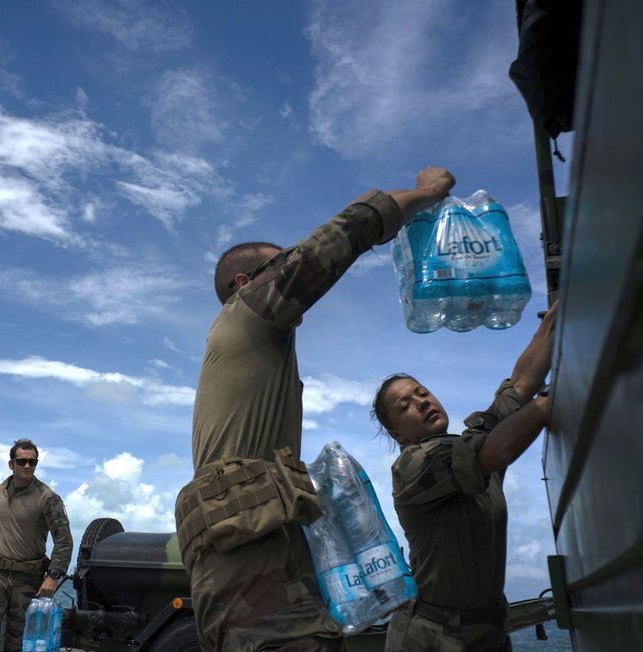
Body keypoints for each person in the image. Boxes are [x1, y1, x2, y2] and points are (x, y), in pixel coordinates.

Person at [175, 167, 457, 651]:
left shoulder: (251, 346)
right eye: (277, 263)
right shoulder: (246, 314)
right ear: (246, 281)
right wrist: (426, 194)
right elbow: (327, 248)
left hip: (249, 550)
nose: (288, 265)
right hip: (250, 560)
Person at [372, 302, 558, 652]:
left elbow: (518, 387)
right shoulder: (414, 466)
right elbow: (496, 450)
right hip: (431, 638)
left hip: (487, 632)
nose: (422, 402)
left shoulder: (470, 448)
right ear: (397, 433)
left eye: (422, 392)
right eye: (405, 405)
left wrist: (553, 321)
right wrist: (552, 398)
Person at [0, 438, 73, 651]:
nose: (27, 466)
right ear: (11, 464)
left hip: (28, 578)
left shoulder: (47, 497)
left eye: (32, 462)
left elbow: (64, 540)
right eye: (21, 462)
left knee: (18, 640)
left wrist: (53, 577)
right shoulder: (0, 490)